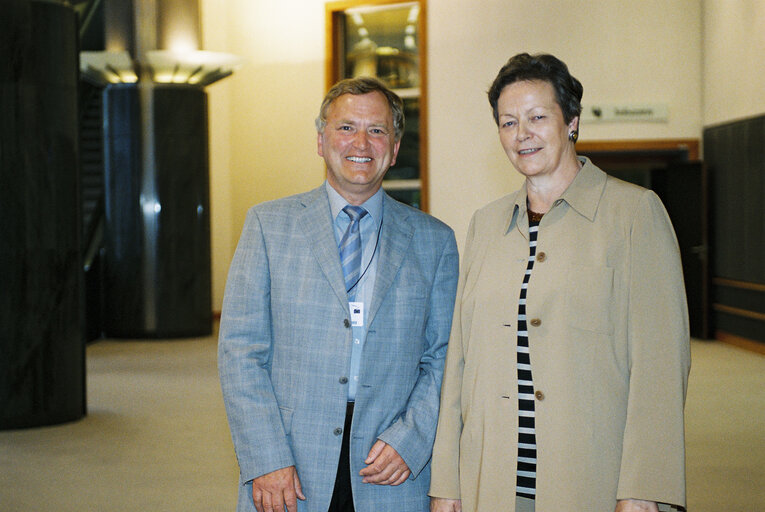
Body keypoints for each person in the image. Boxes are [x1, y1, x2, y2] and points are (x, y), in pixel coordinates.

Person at [428, 53, 691, 512]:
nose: (522, 134)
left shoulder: (634, 214)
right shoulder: (485, 225)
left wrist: (645, 488)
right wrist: (448, 478)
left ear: (571, 121)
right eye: (508, 122)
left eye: (537, 117)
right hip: (490, 480)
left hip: (590, 479)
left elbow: (660, 369)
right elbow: (459, 362)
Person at [218, 76, 459, 512]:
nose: (361, 142)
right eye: (346, 127)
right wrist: (267, 457)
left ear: (395, 147)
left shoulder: (435, 240)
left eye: (377, 130)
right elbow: (240, 353)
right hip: (290, 462)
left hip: (389, 463)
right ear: (320, 139)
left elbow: (444, 355)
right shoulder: (268, 226)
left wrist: (412, 438)